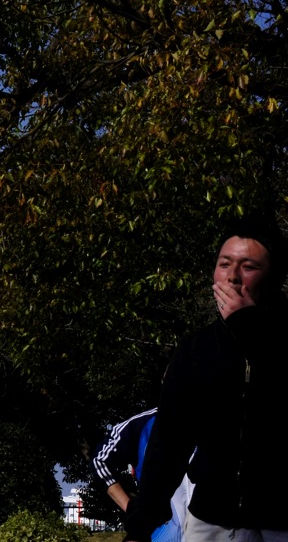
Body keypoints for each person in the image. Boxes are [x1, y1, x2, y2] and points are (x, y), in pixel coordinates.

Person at [125, 217, 288, 542]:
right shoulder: (196, 350)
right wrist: (139, 527)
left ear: (274, 279)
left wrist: (251, 329)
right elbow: (169, 443)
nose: (232, 276)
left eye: (248, 266)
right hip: (212, 520)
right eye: (224, 264)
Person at [92, 408, 190, 542]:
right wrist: (134, 513)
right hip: (161, 532)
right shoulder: (142, 424)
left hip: (209, 529)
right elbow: (99, 461)